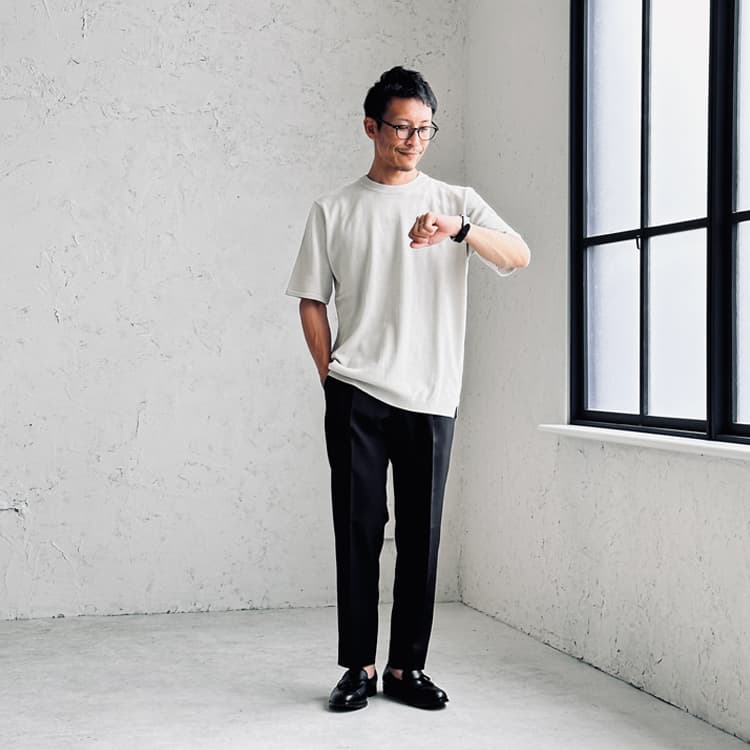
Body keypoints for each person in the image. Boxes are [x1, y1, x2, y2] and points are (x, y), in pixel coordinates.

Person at [285, 66, 530, 712]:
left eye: (424, 129)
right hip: (356, 393)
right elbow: (311, 298)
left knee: (421, 538)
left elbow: (519, 255)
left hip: (431, 395)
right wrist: (330, 376)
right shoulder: (334, 209)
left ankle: (405, 669)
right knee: (358, 532)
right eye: (401, 127)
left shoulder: (456, 200)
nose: (414, 140)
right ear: (371, 127)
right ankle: (358, 668)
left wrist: (458, 230)